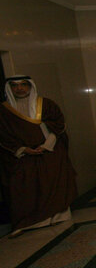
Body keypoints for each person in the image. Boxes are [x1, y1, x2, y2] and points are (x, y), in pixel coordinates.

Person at [0, 75, 77, 238]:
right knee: (23, 187)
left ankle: (56, 217)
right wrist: (23, 149)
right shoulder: (4, 111)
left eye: (23, 85)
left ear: (30, 86)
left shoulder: (47, 105)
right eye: (15, 86)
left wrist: (46, 145)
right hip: (22, 156)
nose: (19, 89)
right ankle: (27, 222)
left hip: (49, 151)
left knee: (54, 183)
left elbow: (57, 126)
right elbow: (4, 135)